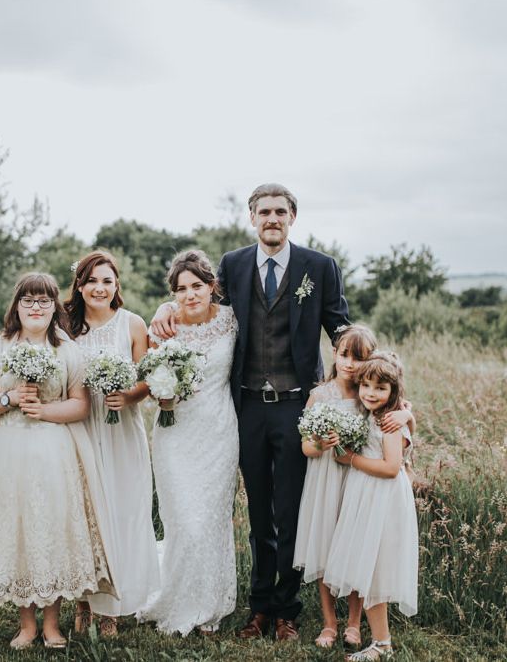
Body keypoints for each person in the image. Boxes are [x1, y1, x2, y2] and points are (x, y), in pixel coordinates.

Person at [151, 183, 349, 640]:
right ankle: (259, 609)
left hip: (297, 404)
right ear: (252, 217)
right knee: (259, 510)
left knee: (291, 510)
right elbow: (203, 305)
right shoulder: (234, 264)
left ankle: (286, 612)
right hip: (245, 409)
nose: (272, 219)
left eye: (280, 211)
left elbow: (339, 326)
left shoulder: (319, 267)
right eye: (264, 212)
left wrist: (375, 375)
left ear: (292, 217)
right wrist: (167, 304)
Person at [0, 272, 116, 650]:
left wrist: (44, 409)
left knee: (50, 530)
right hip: (7, 450)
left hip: (54, 451)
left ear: (55, 308)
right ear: (16, 306)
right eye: (28, 300)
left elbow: (80, 405)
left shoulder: (67, 350)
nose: (36, 307)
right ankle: (27, 626)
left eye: (44, 301)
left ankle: (52, 625)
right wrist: (11, 399)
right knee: (17, 530)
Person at [137, 250, 239, 635]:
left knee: (209, 521)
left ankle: (207, 603)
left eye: (197, 286)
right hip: (174, 432)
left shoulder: (231, 321)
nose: (190, 294)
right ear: (173, 294)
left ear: (212, 287)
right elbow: (149, 382)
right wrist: (162, 394)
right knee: (182, 521)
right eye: (180, 289)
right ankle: (176, 599)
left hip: (218, 432)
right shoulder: (163, 329)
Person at [294, 325, 414, 649]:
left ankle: (354, 622)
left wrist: (408, 419)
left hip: (362, 482)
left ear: (369, 359)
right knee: (325, 543)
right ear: (334, 354)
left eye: (358, 357)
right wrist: (321, 443)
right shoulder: (320, 395)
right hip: (327, 478)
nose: (349, 363)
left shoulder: (369, 393)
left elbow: (400, 412)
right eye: (344, 354)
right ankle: (329, 622)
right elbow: (305, 446)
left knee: (358, 547)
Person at [66, 251, 160, 636]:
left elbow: (151, 379)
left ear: (116, 285)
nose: (99, 288)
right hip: (82, 428)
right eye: (91, 281)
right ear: (80, 285)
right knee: (83, 516)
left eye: (107, 281)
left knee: (122, 512)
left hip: (121, 431)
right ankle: (83, 602)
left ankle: (113, 608)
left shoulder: (133, 325)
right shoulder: (66, 327)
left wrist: (130, 396)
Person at [324, 352, 418, 660]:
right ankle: (381, 641)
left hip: (383, 499)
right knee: (367, 568)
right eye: (365, 386)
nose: (370, 393)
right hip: (367, 495)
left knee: (375, 570)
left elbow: (392, 467)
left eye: (380, 388)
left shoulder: (389, 422)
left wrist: (351, 459)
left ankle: (382, 645)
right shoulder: (372, 414)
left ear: (393, 391)